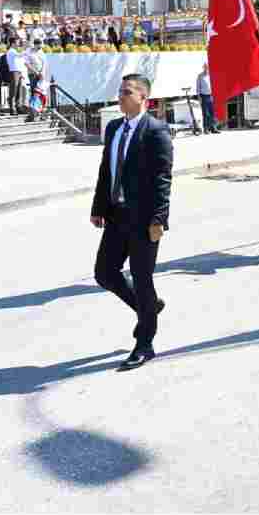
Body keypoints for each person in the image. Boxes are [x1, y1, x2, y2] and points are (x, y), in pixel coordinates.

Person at [90, 74, 173, 371]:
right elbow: (106, 170)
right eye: (120, 92)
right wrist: (98, 207)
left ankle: (145, 343)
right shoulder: (114, 128)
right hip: (116, 215)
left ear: (143, 98)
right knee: (104, 273)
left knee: (142, 278)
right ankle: (148, 307)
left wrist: (159, 219)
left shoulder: (156, 131)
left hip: (143, 220)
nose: (120, 97)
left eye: (126, 92)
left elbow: (163, 179)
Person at [195, 62, 219, 134]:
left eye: (208, 67)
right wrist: (199, 97)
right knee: (205, 113)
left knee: (213, 113)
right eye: (205, 67)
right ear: (203, 68)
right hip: (204, 96)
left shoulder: (212, 75)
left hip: (212, 96)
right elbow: (198, 88)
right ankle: (206, 129)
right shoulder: (200, 76)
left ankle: (213, 128)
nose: (207, 68)